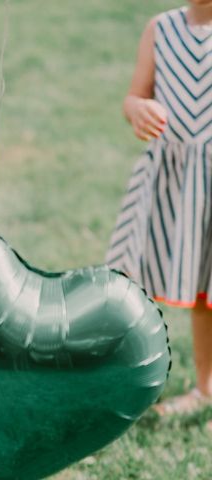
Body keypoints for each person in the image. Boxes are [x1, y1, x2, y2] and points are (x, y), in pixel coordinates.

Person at [106, 1, 212, 417]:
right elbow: (134, 95)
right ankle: (204, 387)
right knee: (184, 287)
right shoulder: (161, 28)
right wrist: (138, 110)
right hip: (176, 181)